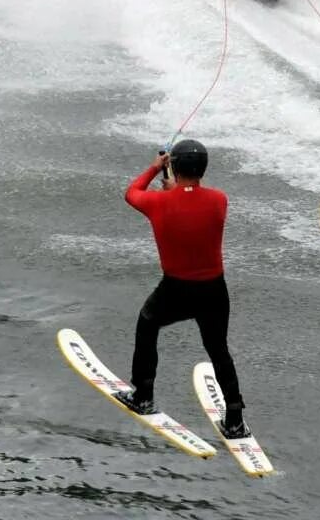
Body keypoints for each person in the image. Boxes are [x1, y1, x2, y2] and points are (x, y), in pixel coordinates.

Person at [114, 139, 250, 439]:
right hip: (214, 291)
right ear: (204, 168)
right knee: (218, 350)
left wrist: (155, 167)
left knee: (147, 324)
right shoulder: (219, 200)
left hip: (175, 290)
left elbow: (131, 193)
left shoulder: (157, 203)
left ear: (173, 166)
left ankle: (143, 396)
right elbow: (193, 200)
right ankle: (235, 418)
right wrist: (177, 187)